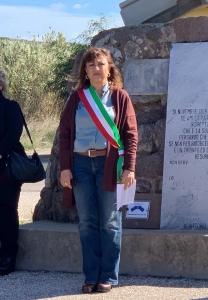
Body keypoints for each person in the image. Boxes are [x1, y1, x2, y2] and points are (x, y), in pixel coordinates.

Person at [59, 47, 138, 293]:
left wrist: (129, 168)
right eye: (91, 64)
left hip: (108, 164)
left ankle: (108, 277)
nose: (96, 68)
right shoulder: (76, 98)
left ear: (109, 68)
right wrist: (65, 168)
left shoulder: (120, 97)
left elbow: (130, 134)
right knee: (87, 222)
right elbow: (65, 135)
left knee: (111, 222)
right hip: (80, 164)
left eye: (101, 64)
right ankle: (91, 275)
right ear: (85, 70)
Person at [0, 69, 25, 276]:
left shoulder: (10, 106)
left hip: (6, 167)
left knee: (6, 211)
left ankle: (8, 257)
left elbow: (13, 133)